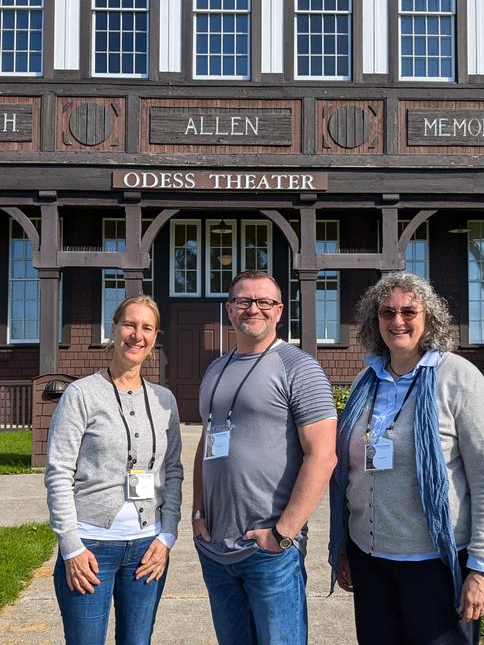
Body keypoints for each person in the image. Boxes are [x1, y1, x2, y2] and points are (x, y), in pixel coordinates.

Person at [329, 272, 484, 645]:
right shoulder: (368, 380)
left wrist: (483, 569)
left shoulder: (458, 379)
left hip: (435, 565)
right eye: (386, 312)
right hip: (371, 559)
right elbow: (351, 472)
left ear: (429, 319)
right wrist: (345, 547)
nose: (397, 321)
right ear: (373, 319)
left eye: (409, 311)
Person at [193, 270, 338, 645]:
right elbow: (206, 443)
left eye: (263, 302)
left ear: (279, 311)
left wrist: (282, 534)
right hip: (216, 549)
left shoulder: (298, 367)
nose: (252, 309)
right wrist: (197, 514)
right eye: (243, 301)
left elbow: (322, 456)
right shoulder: (214, 369)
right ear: (229, 310)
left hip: (269, 553)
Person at [45, 295, 183, 645]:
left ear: (154, 338)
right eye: (130, 324)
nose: (137, 334)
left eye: (147, 327)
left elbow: (174, 470)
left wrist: (167, 535)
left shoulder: (165, 400)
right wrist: (71, 545)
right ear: (115, 329)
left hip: (146, 549)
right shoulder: (81, 394)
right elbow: (59, 472)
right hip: (91, 547)